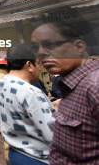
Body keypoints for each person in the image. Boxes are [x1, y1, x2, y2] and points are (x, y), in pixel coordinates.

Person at [31, 18, 99, 165]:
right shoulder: (72, 86)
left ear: (79, 46)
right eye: (36, 48)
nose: (41, 54)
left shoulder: (95, 86)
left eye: (49, 45)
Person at [0, 44, 53, 164]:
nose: (40, 69)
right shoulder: (31, 92)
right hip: (37, 159)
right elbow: (52, 134)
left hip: (15, 153)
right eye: (38, 64)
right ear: (29, 65)